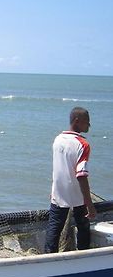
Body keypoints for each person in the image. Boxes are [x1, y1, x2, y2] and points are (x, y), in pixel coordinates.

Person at [45, 107, 97, 253]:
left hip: (58, 193)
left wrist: (53, 189)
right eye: (87, 122)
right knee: (83, 227)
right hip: (77, 196)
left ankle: (49, 259)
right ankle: (83, 256)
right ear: (77, 121)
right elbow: (81, 175)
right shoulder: (82, 144)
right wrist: (89, 203)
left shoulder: (58, 139)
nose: (89, 126)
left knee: (54, 228)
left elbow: (58, 168)